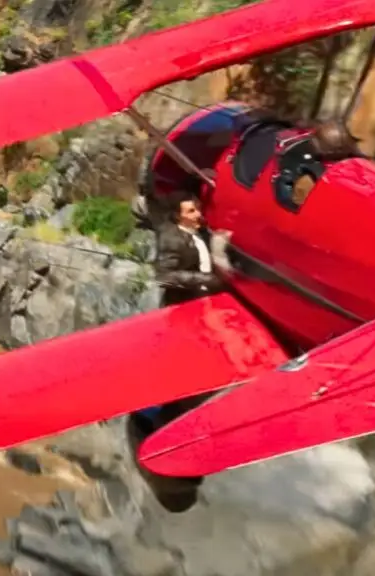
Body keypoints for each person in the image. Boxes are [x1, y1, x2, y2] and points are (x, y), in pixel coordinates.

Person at [126, 189, 229, 513]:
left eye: (198, 210)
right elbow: (165, 276)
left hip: (204, 312)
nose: (199, 215)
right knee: (176, 381)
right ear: (178, 216)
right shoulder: (172, 240)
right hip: (183, 316)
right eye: (192, 211)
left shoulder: (198, 234)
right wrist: (206, 280)